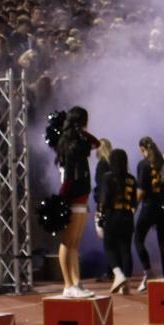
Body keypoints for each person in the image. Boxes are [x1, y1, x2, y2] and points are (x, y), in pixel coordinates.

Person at [49, 106, 96, 298]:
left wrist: (79, 129)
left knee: (75, 243)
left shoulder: (77, 141)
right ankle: (68, 285)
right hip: (72, 198)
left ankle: (76, 282)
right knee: (68, 242)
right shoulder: (71, 145)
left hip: (80, 197)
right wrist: (64, 200)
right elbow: (69, 176)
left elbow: (96, 143)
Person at [97, 146, 138, 295]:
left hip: (112, 217)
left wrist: (100, 216)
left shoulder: (108, 177)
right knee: (126, 250)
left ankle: (118, 274)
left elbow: (104, 199)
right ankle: (125, 282)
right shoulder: (132, 179)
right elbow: (134, 202)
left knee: (109, 248)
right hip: (127, 217)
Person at [133, 135, 164, 287]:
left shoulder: (143, 164)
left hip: (149, 206)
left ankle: (148, 271)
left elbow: (141, 190)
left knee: (138, 238)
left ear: (143, 149)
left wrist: (134, 205)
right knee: (163, 241)